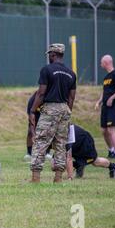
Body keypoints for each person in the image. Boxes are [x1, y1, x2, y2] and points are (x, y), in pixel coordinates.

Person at [29, 43, 76, 183]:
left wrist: (32, 110)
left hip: (50, 108)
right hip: (64, 109)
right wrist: (67, 112)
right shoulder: (71, 73)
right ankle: (58, 178)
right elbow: (72, 97)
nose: (49, 56)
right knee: (61, 144)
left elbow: (41, 93)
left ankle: (35, 178)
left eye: (49, 54)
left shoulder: (47, 70)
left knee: (41, 141)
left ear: (53, 54)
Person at [95, 55, 115, 160]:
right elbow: (104, 91)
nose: (100, 64)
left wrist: (112, 98)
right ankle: (111, 150)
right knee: (104, 131)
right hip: (105, 107)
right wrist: (99, 102)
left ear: (106, 62)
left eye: (101, 62)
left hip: (114, 106)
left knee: (111, 129)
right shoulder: (106, 77)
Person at [24, 91, 52, 161]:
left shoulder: (50, 98)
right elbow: (31, 120)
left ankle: (46, 153)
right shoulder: (32, 101)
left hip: (47, 114)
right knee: (30, 131)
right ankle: (29, 153)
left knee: (48, 131)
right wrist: (33, 133)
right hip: (35, 114)